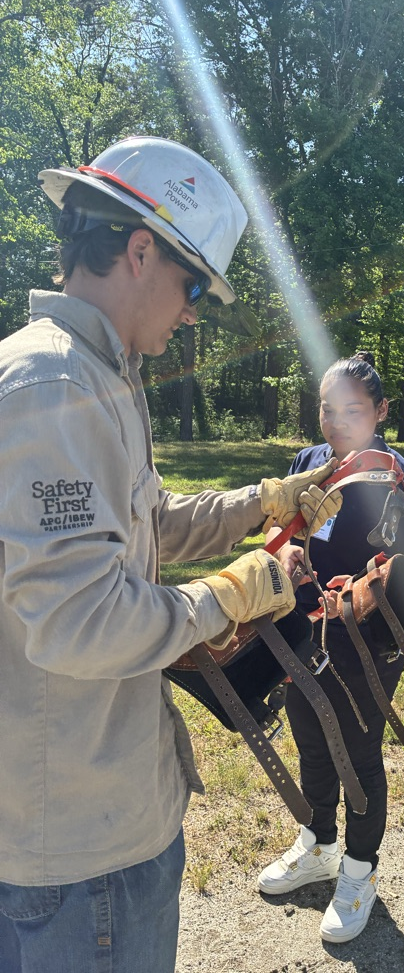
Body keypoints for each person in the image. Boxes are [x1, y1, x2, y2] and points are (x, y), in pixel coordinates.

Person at [0, 135, 341, 973]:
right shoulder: (54, 385)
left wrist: (266, 501)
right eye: (194, 285)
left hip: (94, 821)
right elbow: (79, 620)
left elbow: (150, 519)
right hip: (81, 850)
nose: (194, 310)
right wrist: (231, 594)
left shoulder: (96, 376)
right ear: (140, 249)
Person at [258, 351, 404, 943]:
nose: (335, 425)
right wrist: (283, 549)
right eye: (327, 410)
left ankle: (360, 872)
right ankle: (319, 845)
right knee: (310, 738)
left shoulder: (402, 481)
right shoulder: (309, 462)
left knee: (357, 753)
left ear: (381, 411)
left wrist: (357, 598)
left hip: (365, 646)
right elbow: (278, 525)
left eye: (352, 412)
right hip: (301, 633)